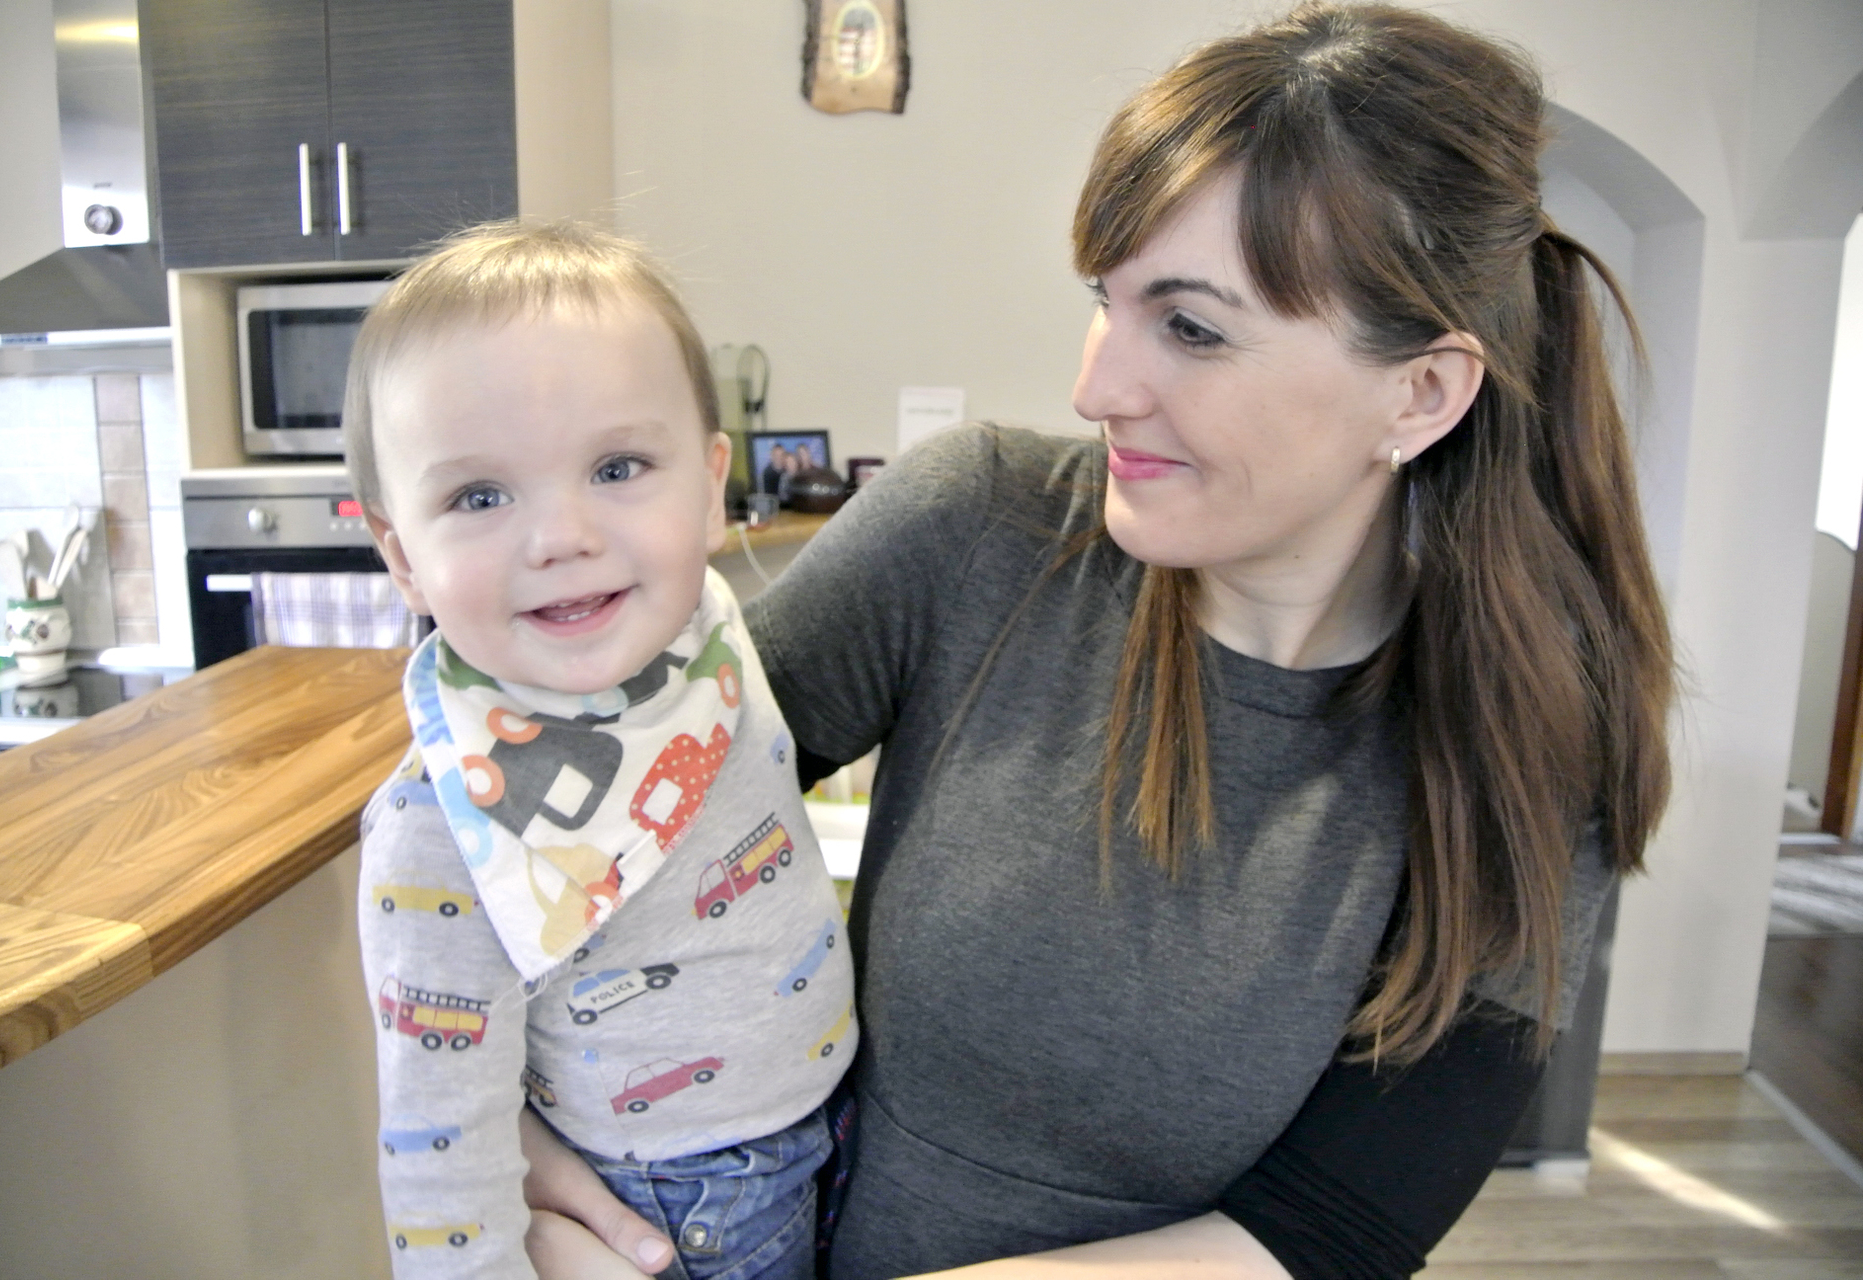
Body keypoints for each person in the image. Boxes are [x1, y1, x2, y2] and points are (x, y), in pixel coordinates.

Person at [517, 3, 1674, 1277]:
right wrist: (521, 1147)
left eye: (1191, 326)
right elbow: (568, 826)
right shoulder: (974, 530)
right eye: (1103, 301)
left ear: (1420, 392)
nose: (1096, 387)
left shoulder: (1532, 733)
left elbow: (1336, 1228)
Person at [347, 221, 856, 1280]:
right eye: (479, 496)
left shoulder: (707, 635)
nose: (562, 537)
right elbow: (443, 1147)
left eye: (618, 466)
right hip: (672, 1203)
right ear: (402, 554)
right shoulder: (442, 823)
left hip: (832, 1116)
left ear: (709, 490)